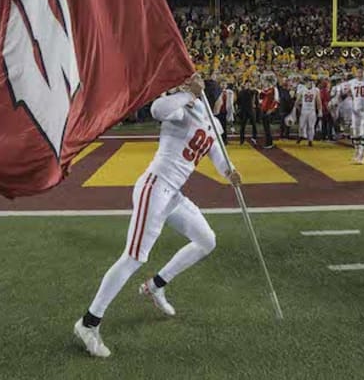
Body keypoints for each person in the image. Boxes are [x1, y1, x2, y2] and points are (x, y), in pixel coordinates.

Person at [74, 73, 242, 358]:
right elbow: (156, 110)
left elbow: (218, 157)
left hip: (173, 194)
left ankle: (155, 285)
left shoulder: (213, 124)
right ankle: (88, 323)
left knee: (206, 240)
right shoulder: (186, 107)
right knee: (134, 257)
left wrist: (230, 172)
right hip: (155, 186)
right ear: (213, 96)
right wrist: (189, 93)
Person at [296, 76, 321, 146]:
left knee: (311, 126)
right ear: (306, 82)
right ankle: (300, 136)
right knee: (301, 126)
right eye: (309, 81)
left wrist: (320, 110)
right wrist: (297, 107)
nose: (310, 82)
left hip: (312, 110)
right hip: (304, 110)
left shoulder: (316, 90)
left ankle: (310, 140)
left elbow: (318, 101)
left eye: (311, 81)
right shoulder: (302, 89)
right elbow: (298, 99)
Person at [258, 72, 279, 149]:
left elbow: (276, 101)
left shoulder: (274, 89)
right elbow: (261, 99)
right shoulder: (265, 89)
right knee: (265, 127)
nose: (265, 83)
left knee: (267, 127)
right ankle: (268, 142)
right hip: (264, 110)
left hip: (269, 110)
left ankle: (269, 143)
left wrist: (271, 110)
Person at [236, 80, 258, 146]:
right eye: (247, 84)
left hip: (251, 110)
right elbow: (238, 101)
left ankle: (254, 138)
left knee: (254, 125)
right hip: (244, 110)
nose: (248, 85)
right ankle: (241, 140)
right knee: (242, 126)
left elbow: (256, 100)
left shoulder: (254, 92)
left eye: (249, 84)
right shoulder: (241, 92)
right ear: (245, 85)